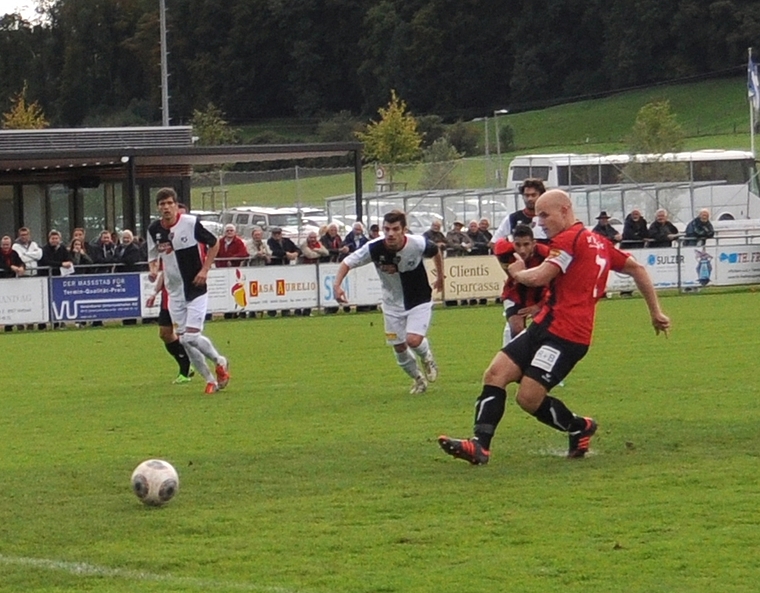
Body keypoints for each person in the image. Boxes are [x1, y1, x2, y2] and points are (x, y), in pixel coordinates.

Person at [438, 189, 671, 465]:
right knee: (495, 373)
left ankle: (578, 426)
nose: (541, 222)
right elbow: (638, 269)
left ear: (565, 210)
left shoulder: (568, 239)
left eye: (545, 215)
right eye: (537, 216)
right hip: (545, 324)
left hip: (567, 336)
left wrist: (515, 271)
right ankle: (479, 446)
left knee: (528, 398)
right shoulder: (598, 241)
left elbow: (540, 277)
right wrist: (655, 311)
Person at [333, 210, 445, 395]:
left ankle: (427, 358)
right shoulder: (374, 248)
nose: (390, 233)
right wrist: (337, 285)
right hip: (392, 304)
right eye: (387, 229)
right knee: (399, 347)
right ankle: (418, 379)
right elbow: (347, 262)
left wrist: (440, 277)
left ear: (404, 230)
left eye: (395, 229)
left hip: (419, 299)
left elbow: (436, 252)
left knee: (413, 340)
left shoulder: (417, 243)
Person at [147, 187, 230, 395]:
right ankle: (210, 379)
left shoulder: (190, 223)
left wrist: (204, 270)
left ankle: (220, 361)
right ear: (158, 207)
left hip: (195, 288)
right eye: (162, 204)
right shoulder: (154, 229)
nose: (166, 207)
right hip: (174, 293)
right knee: (184, 340)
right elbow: (152, 254)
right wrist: (153, 268)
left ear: (176, 205)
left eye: (169, 203)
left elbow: (214, 243)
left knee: (191, 337)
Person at [493, 224, 550, 347]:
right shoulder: (504, 251)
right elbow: (497, 246)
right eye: (518, 245)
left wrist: (539, 306)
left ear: (534, 243)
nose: (522, 250)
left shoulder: (545, 254)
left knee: (545, 332)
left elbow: (554, 285)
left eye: (526, 244)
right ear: (513, 243)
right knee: (517, 329)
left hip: (541, 295)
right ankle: (515, 359)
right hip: (514, 294)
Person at [492, 178, 548, 243]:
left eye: (533, 195)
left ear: (541, 195)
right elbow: (494, 243)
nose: (530, 199)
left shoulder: (550, 217)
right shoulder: (512, 218)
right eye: (526, 195)